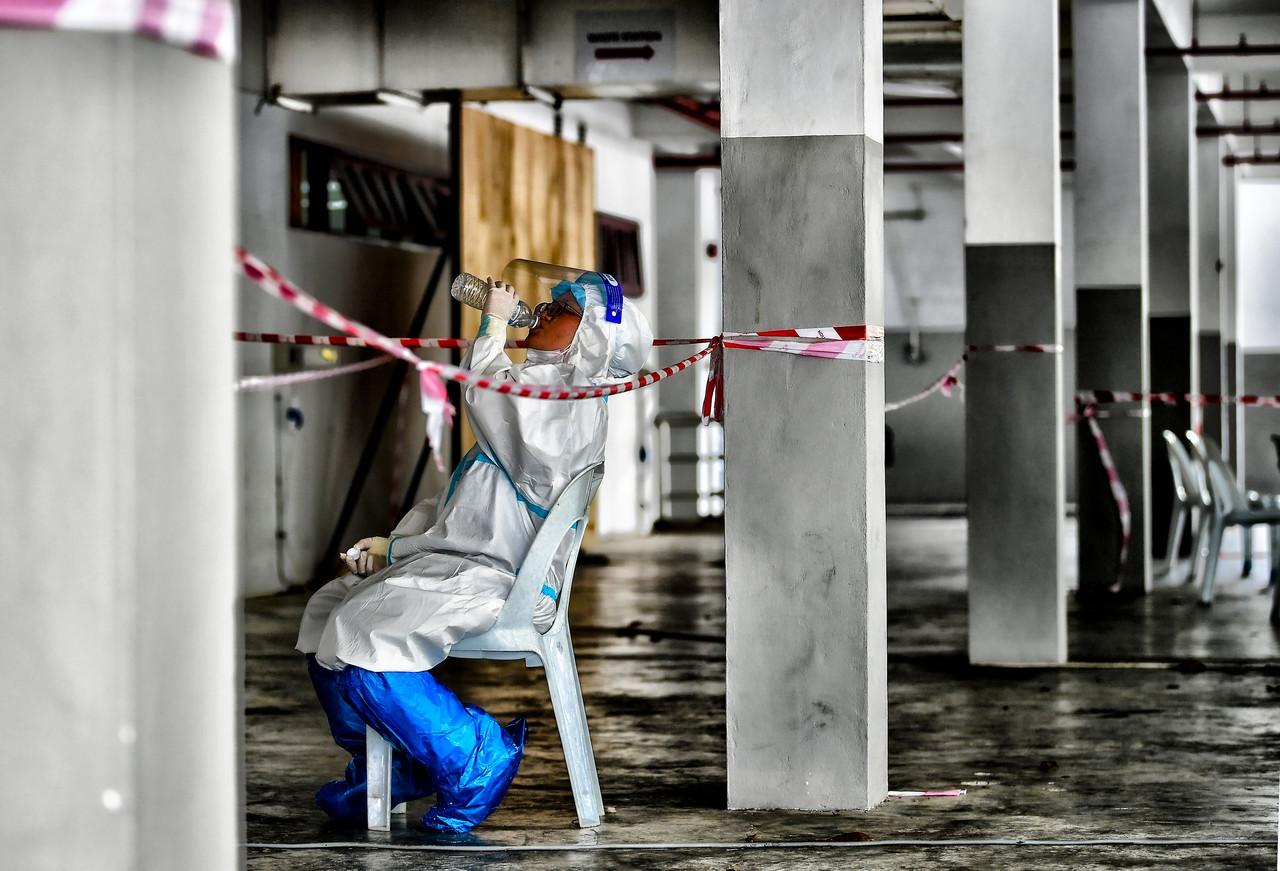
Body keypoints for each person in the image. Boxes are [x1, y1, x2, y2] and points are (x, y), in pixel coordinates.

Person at [295, 274, 653, 832]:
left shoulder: (566, 403)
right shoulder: (547, 390)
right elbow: (468, 517)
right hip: (469, 561)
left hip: (501, 578)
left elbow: (486, 392)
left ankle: (472, 754)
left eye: (560, 308)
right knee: (327, 613)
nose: (538, 310)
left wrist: (489, 324)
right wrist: (397, 548)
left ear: (587, 338)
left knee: (361, 637)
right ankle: (388, 764)